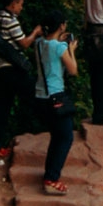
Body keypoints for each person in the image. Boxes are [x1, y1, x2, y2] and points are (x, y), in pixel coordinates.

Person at [0, 0, 40, 153]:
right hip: (10, 69)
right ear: (14, 4)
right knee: (31, 94)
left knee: (2, 105)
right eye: (20, 4)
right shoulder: (11, 21)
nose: (21, 7)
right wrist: (35, 32)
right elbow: (23, 43)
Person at [33, 10, 78, 195]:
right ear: (61, 26)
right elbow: (73, 70)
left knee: (57, 136)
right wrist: (71, 50)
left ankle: (49, 174)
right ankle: (51, 178)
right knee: (66, 137)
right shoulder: (59, 48)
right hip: (55, 96)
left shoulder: (39, 44)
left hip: (40, 96)